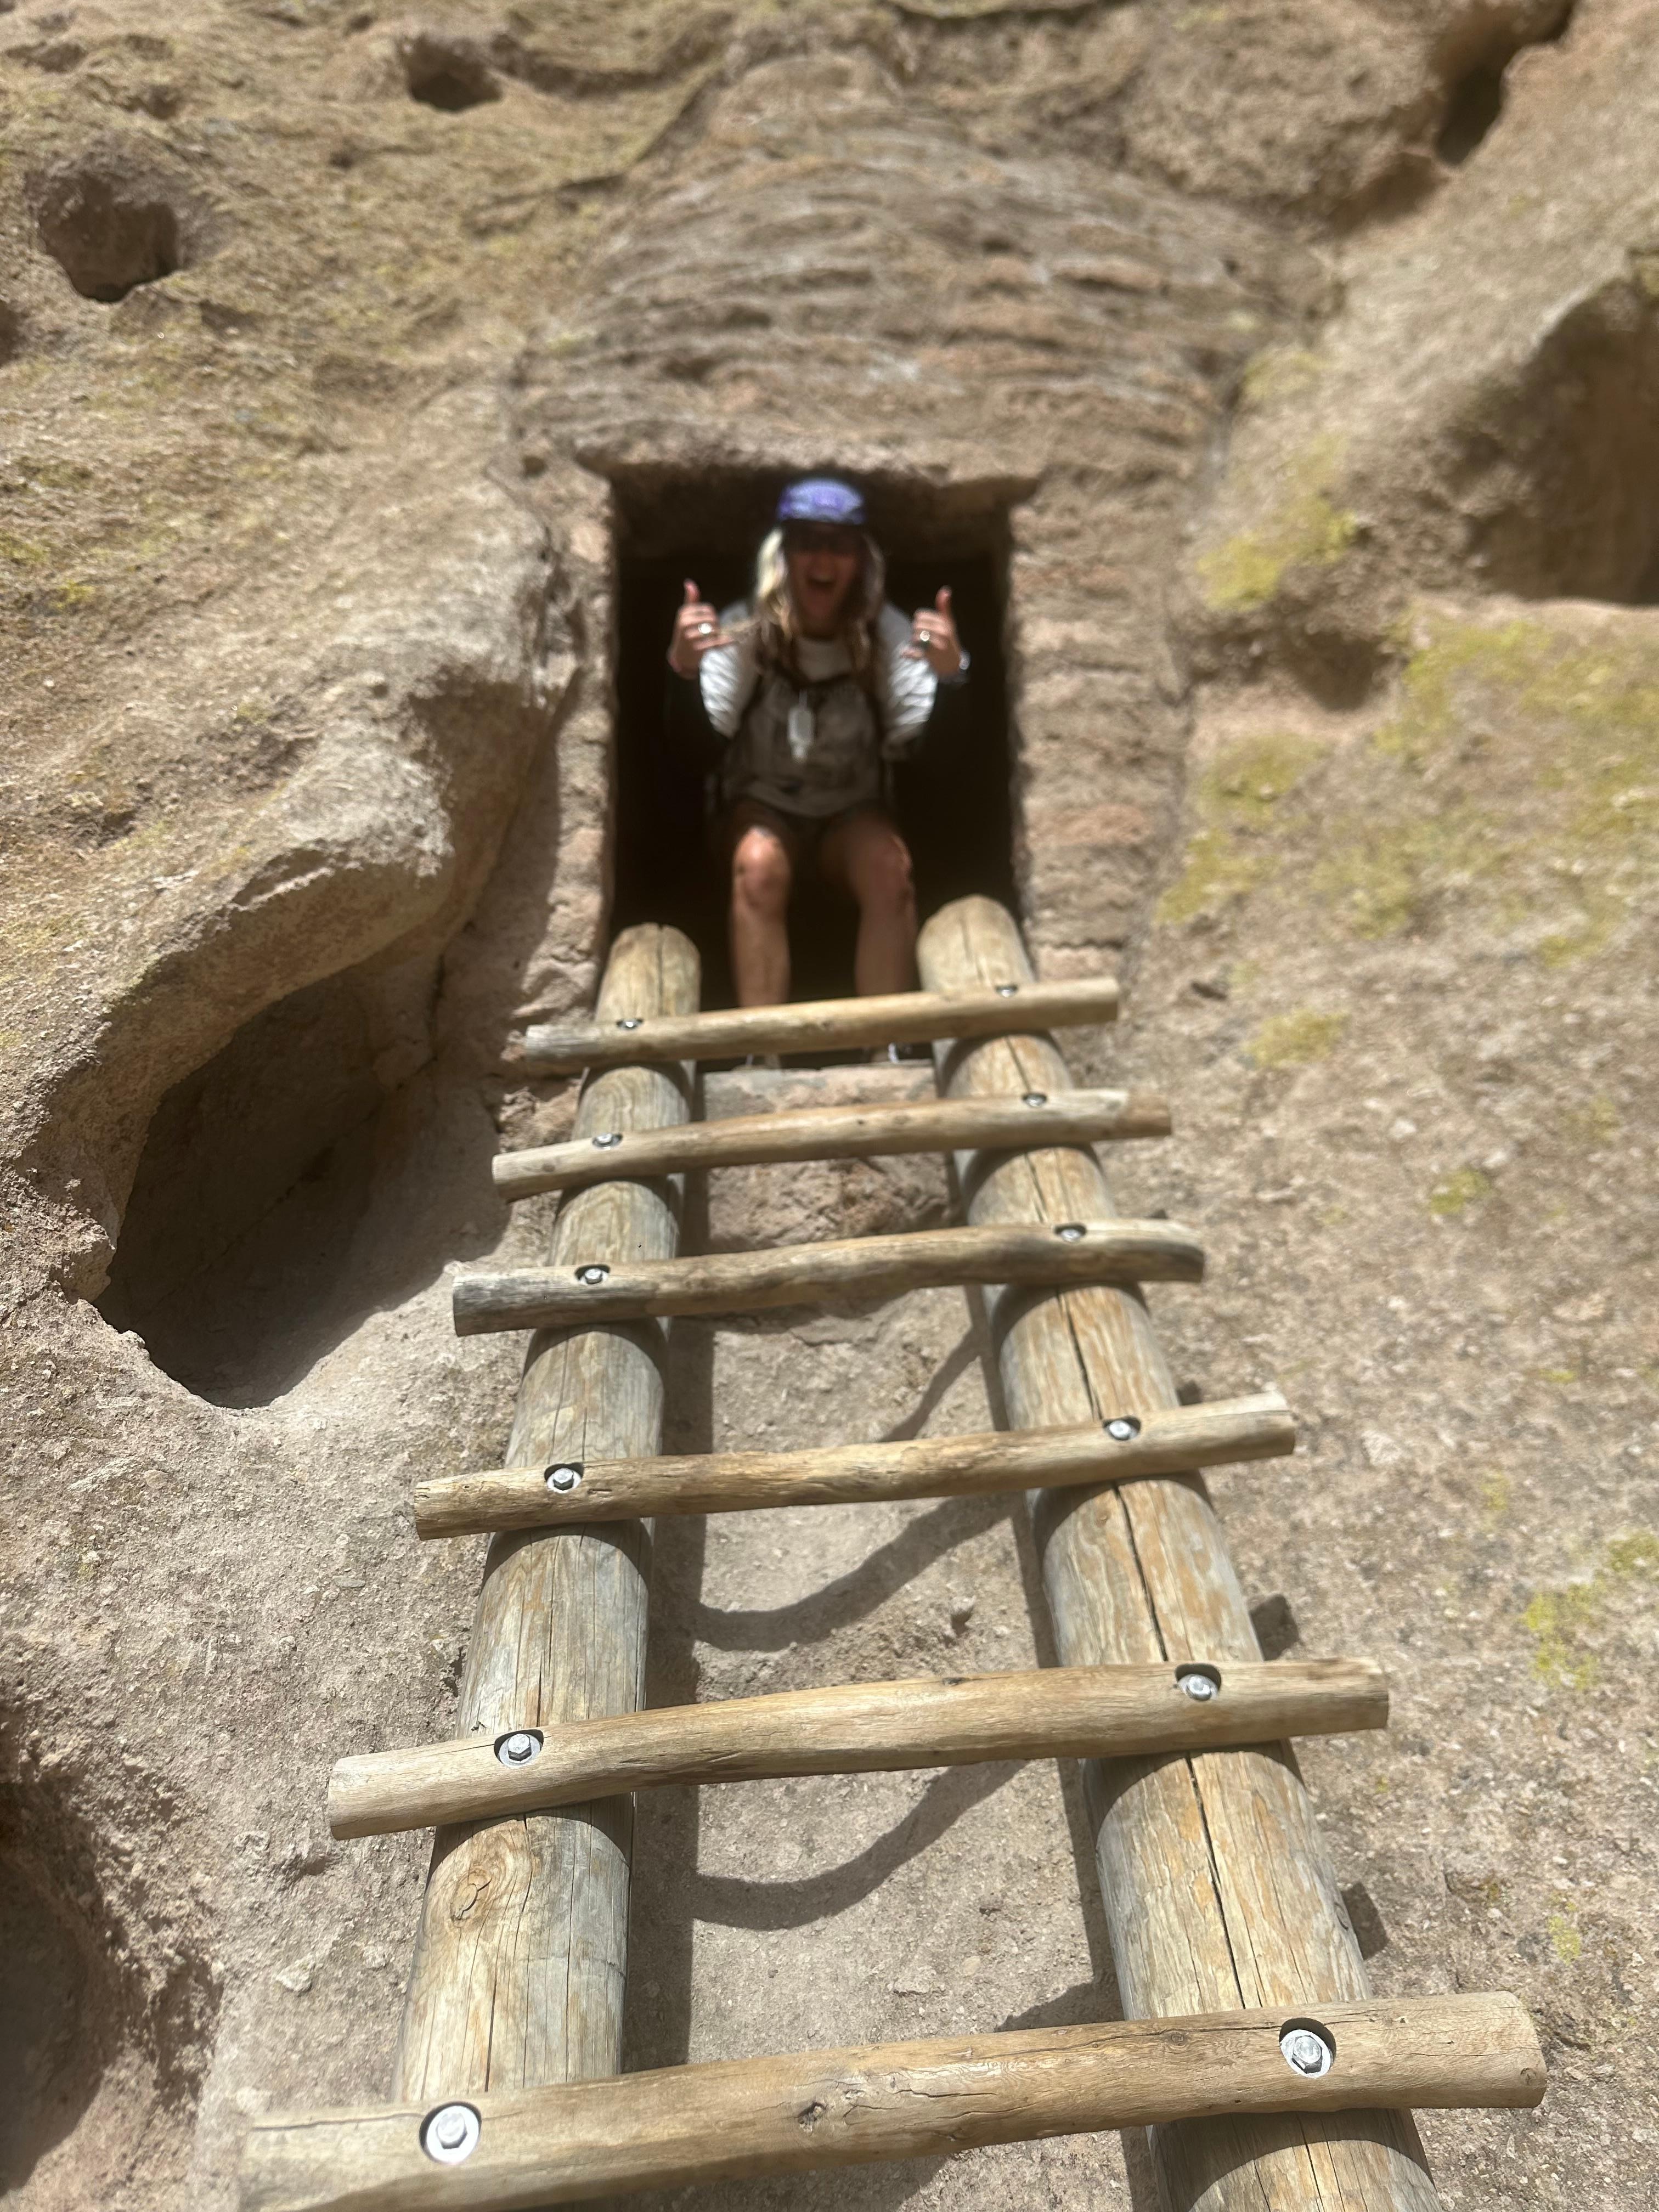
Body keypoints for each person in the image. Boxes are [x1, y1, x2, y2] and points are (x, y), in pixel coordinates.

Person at [665, 477, 967, 1009]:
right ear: (783, 557)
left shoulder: (889, 638)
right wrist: (684, 673)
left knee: (887, 867)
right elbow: (695, 754)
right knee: (759, 864)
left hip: (849, 815)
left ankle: (885, 1041)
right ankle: (765, 1050)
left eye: (840, 545)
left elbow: (931, 764)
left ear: (861, 561)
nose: (823, 559)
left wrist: (951, 680)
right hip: (761, 807)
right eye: (808, 542)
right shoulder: (744, 633)